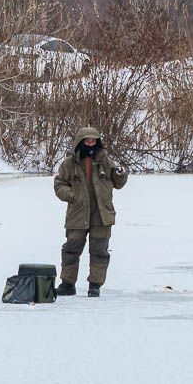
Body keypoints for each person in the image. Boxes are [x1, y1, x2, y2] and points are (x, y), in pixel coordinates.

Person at [53, 127, 127, 297]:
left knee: (99, 251)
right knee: (71, 249)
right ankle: (67, 284)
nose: (90, 143)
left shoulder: (105, 161)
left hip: (101, 215)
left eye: (94, 140)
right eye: (87, 140)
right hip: (77, 213)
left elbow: (118, 183)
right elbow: (59, 184)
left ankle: (95, 285)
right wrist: (72, 196)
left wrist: (121, 175)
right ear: (80, 142)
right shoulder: (69, 164)